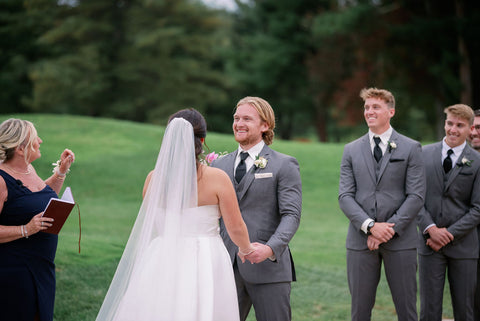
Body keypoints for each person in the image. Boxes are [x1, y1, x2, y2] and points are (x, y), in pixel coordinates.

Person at [95, 108, 255, 321]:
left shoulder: (153, 179)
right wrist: (246, 249)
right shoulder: (217, 178)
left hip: (162, 255)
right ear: (202, 140)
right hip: (205, 259)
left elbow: (154, 221)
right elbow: (235, 226)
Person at [338, 88, 426, 321]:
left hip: (401, 240)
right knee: (359, 311)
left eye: (375, 107)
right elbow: (345, 196)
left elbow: (416, 196)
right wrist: (369, 226)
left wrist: (387, 229)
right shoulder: (351, 150)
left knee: (407, 310)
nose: (369, 111)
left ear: (391, 111)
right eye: (366, 107)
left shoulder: (411, 148)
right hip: (360, 241)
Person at [212, 96, 302, 321]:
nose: (239, 123)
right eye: (236, 118)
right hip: (225, 267)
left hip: (269, 269)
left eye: (247, 119)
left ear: (265, 125)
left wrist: (270, 249)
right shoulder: (218, 165)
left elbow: (291, 215)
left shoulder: (284, 164)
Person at [0, 118, 75, 321]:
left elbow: (40, 198)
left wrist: (61, 172)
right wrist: (26, 229)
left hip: (42, 268)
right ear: (21, 149)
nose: (40, 141)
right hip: (15, 271)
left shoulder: (28, 169)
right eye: (35, 138)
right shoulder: (1, 180)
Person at [418, 104, 480, 321]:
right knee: (428, 311)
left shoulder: (478, 162)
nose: (453, 129)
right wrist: (430, 229)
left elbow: (478, 208)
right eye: (450, 123)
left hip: (464, 248)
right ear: (445, 123)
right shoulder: (423, 154)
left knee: (465, 311)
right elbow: (414, 198)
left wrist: (449, 234)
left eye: (460, 125)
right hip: (429, 244)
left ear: (470, 129)